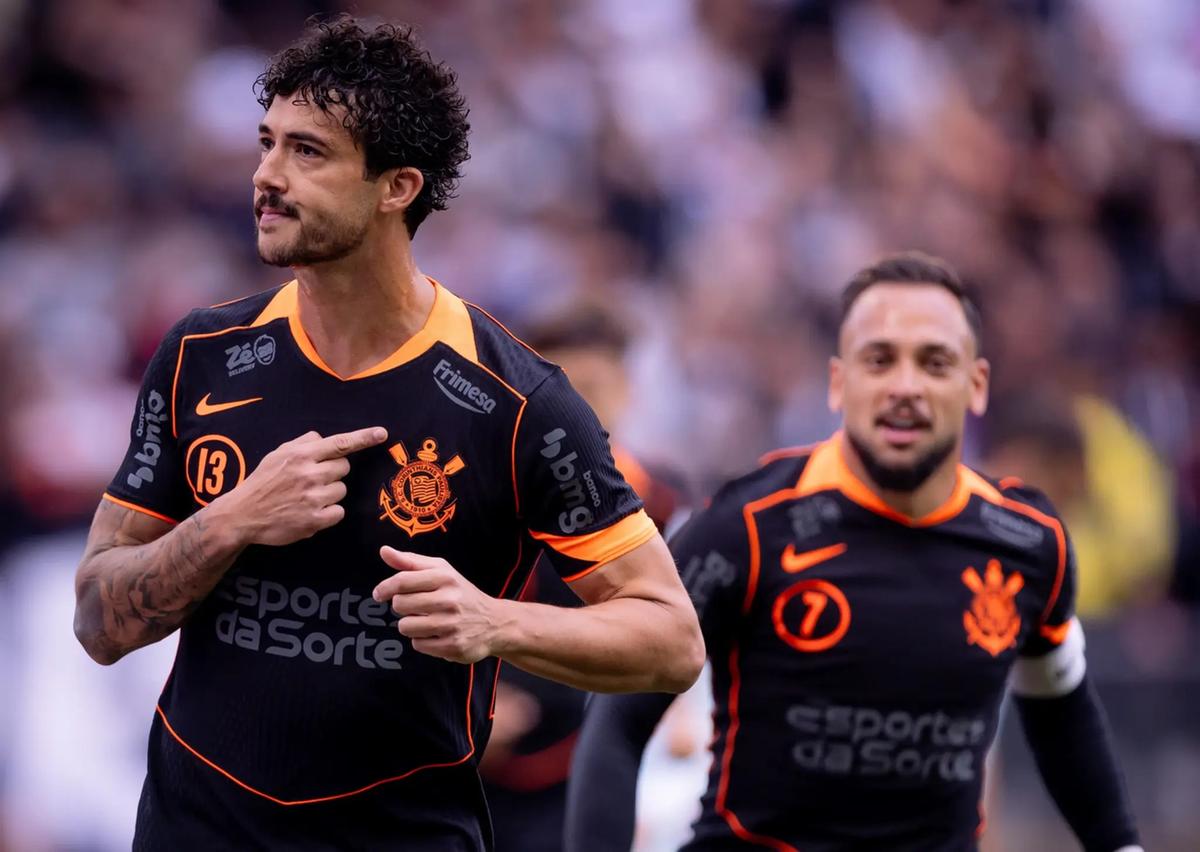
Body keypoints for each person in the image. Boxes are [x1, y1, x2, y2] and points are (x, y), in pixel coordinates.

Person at [71, 18, 703, 852]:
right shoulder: (201, 357)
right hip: (196, 831)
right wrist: (233, 520)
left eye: (308, 152)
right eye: (267, 144)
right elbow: (98, 621)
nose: (265, 175)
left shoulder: (518, 401)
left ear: (396, 187)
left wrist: (493, 623)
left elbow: (668, 638)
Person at [566, 252, 1142, 852]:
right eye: (880, 360)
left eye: (935, 362)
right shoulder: (746, 528)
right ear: (840, 383)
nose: (906, 386)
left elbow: (1061, 714)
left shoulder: (1029, 545)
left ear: (976, 387)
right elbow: (617, 725)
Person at [479, 302, 688, 852]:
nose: (576, 408)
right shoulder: (489, 497)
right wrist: (477, 708)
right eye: (562, 390)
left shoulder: (666, 509)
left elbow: (681, 646)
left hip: (592, 765)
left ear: (628, 388)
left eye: (594, 385)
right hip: (476, 762)